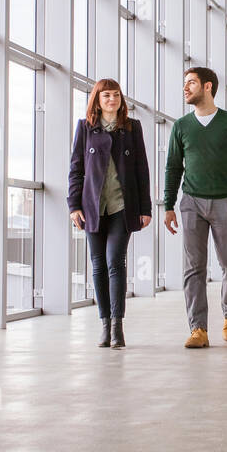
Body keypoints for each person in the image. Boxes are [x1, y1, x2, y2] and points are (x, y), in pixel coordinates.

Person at [163, 67, 227, 348]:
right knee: (193, 268)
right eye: (184, 83)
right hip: (191, 202)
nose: (185, 88)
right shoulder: (180, 126)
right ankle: (198, 329)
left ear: (208, 87)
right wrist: (168, 205)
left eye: (191, 83)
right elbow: (173, 167)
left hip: (224, 202)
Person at [68, 79, 152, 350]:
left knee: (115, 262)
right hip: (93, 208)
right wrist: (73, 206)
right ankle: (104, 325)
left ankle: (118, 328)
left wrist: (145, 208)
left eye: (116, 95)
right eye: (106, 96)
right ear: (97, 99)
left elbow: (142, 170)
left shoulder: (131, 127)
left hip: (122, 207)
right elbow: (76, 169)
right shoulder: (84, 128)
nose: (112, 100)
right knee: (97, 265)